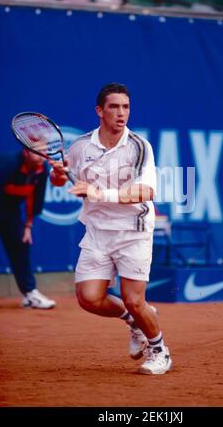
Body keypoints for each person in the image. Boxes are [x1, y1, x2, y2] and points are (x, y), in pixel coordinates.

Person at [50, 82, 172, 374]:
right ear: (99, 111)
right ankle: (134, 322)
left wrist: (98, 193)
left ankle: (160, 351)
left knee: (134, 298)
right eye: (114, 107)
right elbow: (62, 182)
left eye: (126, 107)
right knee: (89, 298)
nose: (121, 113)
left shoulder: (139, 146)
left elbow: (146, 192)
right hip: (97, 231)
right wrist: (57, 175)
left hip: (133, 230)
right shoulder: (80, 146)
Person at [0, 148, 56, 309]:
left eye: (45, 152)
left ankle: (29, 295)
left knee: (21, 243)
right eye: (38, 152)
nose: (43, 156)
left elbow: (35, 199)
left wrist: (27, 226)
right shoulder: (8, 164)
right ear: (26, 152)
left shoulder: (42, 170)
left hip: (8, 207)